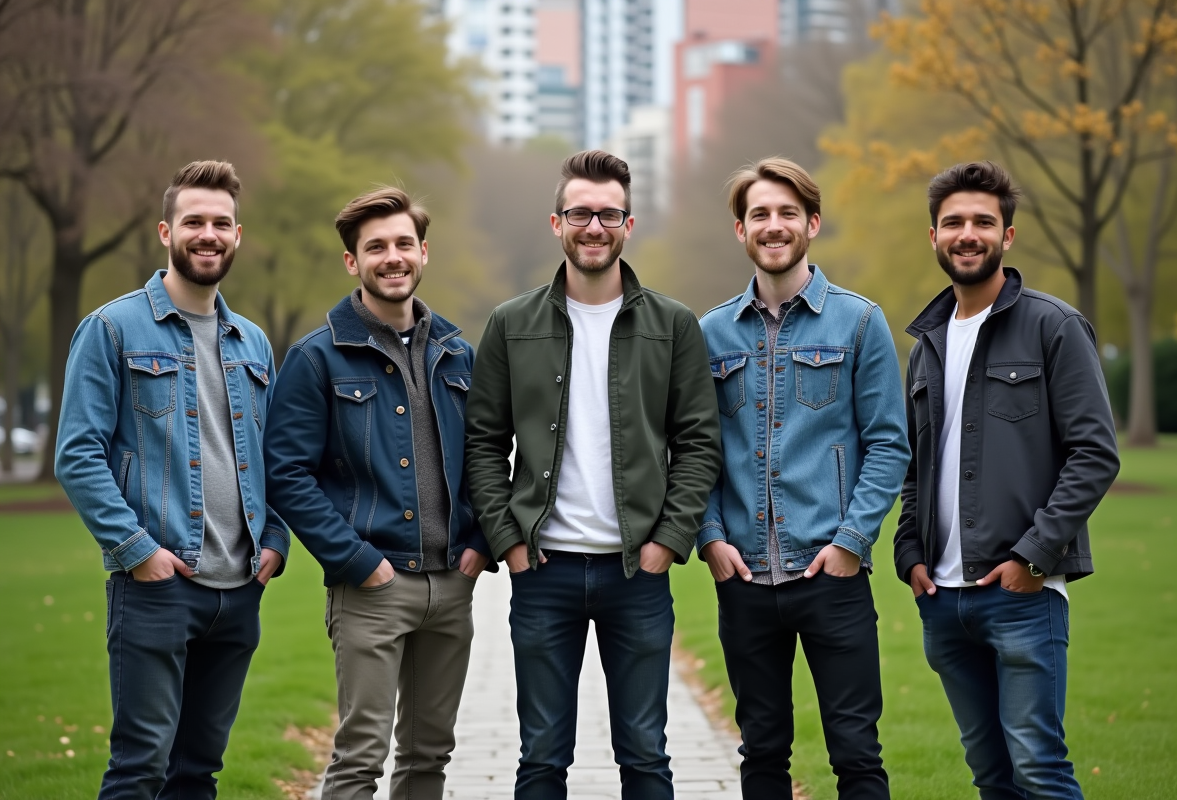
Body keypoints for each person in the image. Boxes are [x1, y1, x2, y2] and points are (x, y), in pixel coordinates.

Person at [464, 149, 722, 800]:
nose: (594, 226)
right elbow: (483, 442)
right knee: (542, 758)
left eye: (609, 214)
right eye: (580, 212)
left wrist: (668, 541)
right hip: (543, 571)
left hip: (637, 572)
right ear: (557, 223)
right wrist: (511, 545)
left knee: (645, 755)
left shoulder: (674, 325)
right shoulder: (511, 323)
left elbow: (698, 442)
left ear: (629, 224)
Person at [55, 160, 289, 800]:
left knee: (198, 773)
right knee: (139, 770)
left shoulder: (254, 344)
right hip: (158, 588)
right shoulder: (111, 329)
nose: (208, 234)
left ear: (238, 236)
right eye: (194, 221)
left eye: (221, 223)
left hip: (239, 591)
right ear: (166, 231)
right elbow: (78, 454)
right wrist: (138, 553)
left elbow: (276, 459)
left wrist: (274, 542)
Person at [894, 161, 1120, 799]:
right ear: (933, 236)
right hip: (943, 599)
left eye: (983, 222)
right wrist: (909, 552)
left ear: (1007, 237)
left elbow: (1095, 454)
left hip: (1021, 596)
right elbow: (919, 462)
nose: (968, 234)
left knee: (1040, 772)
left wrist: (1032, 557)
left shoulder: (1054, 326)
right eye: (954, 222)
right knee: (992, 777)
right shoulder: (927, 343)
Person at [264, 186, 490, 799]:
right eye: (375, 248)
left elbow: (484, 459)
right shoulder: (316, 359)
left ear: (423, 252)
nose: (392, 257)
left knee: (428, 756)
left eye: (402, 244)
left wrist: (477, 543)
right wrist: (358, 562)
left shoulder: (458, 354)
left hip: (451, 584)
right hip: (371, 586)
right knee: (360, 756)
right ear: (352, 262)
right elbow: (285, 473)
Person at [697, 157, 909, 800]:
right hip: (745, 581)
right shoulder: (709, 335)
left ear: (812, 223)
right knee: (761, 750)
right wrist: (709, 539)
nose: (774, 225)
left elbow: (889, 445)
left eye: (788, 212)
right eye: (759, 213)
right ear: (740, 229)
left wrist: (850, 545)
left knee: (856, 753)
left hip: (831, 576)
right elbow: (694, 450)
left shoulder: (861, 323)